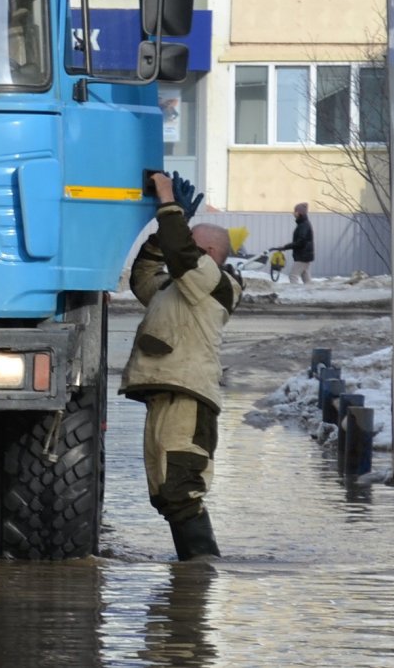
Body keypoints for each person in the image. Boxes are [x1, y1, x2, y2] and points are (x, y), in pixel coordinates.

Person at [120, 171, 243, 561]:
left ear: (207, 253)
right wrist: (164, 234)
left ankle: (203, 574)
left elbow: (181, 253)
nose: (183, 246)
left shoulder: (216, 284)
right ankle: (191, 578)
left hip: (190, 399)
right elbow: (142, 276)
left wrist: (168, 201)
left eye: (191, 243)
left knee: (182, 489)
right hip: (166, 394)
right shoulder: (177, 288)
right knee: (164, 494)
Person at [278, 202, 315, 284]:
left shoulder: (303, 225)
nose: (293, 213)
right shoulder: (303, 224)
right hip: (305, 255)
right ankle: (310, 293)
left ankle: (294, 293)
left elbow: (300, 242)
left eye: (295, 211)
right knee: (306, 277)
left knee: (293, 276)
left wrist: (285, 247)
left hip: (303, 256)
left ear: (300, 213)